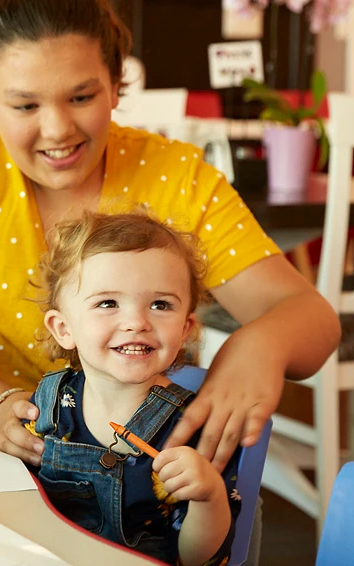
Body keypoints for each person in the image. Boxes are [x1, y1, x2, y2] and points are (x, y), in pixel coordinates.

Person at [0, 0, 340, 559]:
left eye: (82, 97)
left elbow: (309, 318)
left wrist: (259, 342)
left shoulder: (178, 177)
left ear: (117, 86)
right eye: (24, 104)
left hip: (128, 481)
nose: (57, 128)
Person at [25, 209, 239, 565]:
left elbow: (197, 559)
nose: (137, 322)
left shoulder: (195, 427)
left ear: (185, 329)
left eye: (160, 304)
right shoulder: (48, 404)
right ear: (64, 329)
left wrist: (209, 497)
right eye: (107, 303)